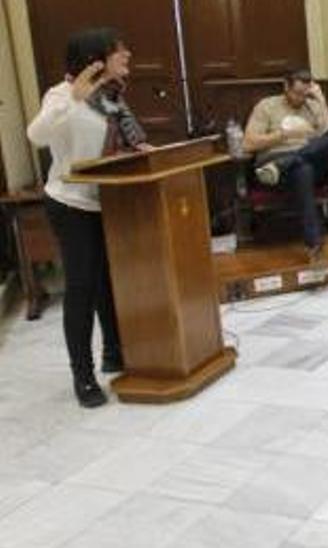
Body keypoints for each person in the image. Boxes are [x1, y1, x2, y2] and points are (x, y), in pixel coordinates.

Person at [27, 28, 148, 408]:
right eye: (119, 51)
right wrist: (74, 98)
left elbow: (121, 143)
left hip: (106, 201)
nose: (127, 54)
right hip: (70, 203)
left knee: (108, 282)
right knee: (81, 287)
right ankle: (83, 376)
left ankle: (115, 353)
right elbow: (36, 135)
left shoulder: (112, 98)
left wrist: (141, 148)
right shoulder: (61, 95)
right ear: (97, 60)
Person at [243, 69, 328, 262]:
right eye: (296, 93)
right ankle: (315, 247)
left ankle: (288, 162)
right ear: (286, 86)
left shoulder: (313, 106)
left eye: (304, 94)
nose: (300, 99)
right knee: (303, 169)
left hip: (301, 162)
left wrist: (321, 101)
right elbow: (248, 143)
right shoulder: (266, 106)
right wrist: (283, 134)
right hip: (272, 166)